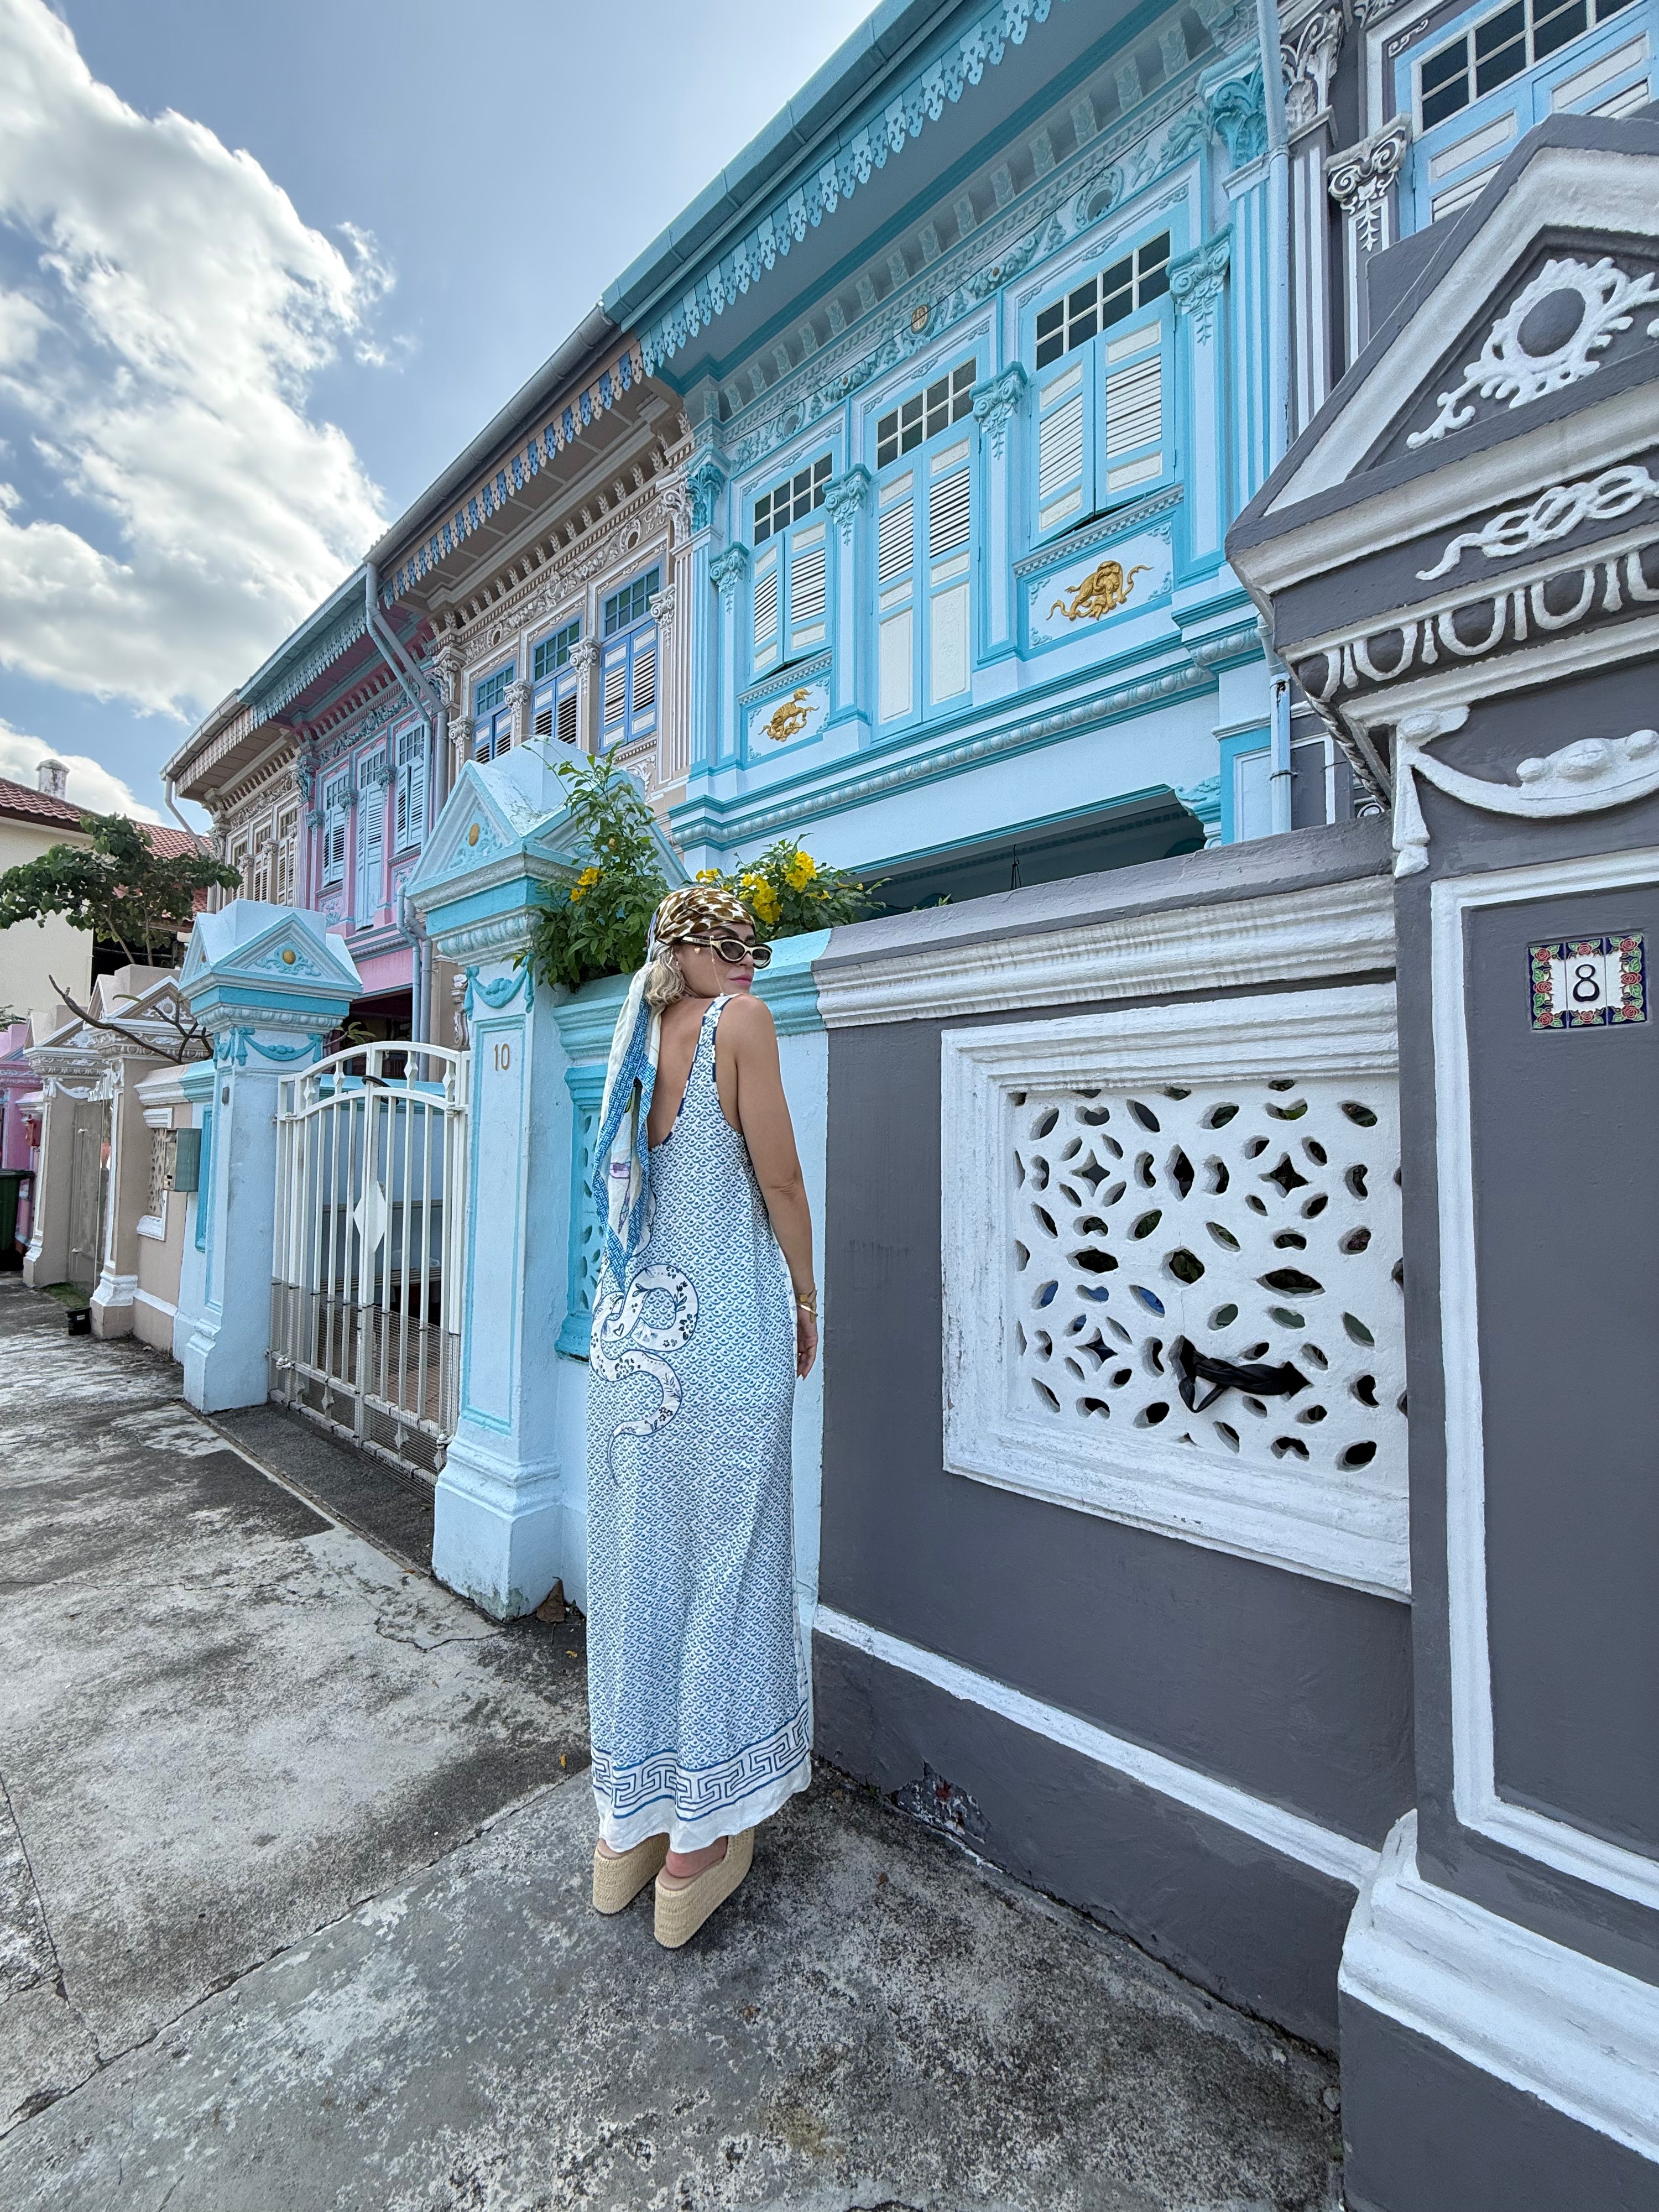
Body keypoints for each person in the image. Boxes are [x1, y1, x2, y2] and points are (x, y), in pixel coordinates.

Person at [584, 883, 818, 1947]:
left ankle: (624, 1830)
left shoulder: (638, 1035)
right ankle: (692, 1848)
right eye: (736, 945)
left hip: (634, 1354)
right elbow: (781, 1180)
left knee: (643, 1577)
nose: (750, 966)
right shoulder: (740, 1026)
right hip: (719, 1346)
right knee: (723, 1572)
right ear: (697, 951)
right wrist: (808, 1295)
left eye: (754, 949)